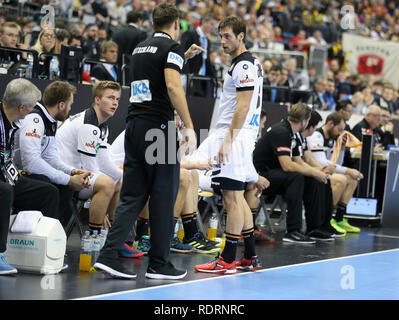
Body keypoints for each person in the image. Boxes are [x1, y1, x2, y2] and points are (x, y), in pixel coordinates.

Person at [94, 3, 203, 280]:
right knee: (164, 196)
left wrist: (184, 59)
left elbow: (153, 79)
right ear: (176, 24)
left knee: (132, 196)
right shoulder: (172, 48)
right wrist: (188, 125)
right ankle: (159, 264)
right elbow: (170, 85)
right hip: (159, 129)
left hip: (135, 127)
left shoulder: (141, 47)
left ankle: (107, 256)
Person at [193, 16, 269, 275]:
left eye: (227, 36)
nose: (222, 41)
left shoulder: (244, 66)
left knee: (232, 198)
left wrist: (227, 141)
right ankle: (249, 256)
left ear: (241, 36)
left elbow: (243, 106)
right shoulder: (250, 62)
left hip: (234, 136)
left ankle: (226, 259)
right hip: (240, 135)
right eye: (220, 36)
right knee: (237, 199)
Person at [56, 81, 141, 258]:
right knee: (107, 183)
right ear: (97, 99)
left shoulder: (101, 124)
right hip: (66, 176)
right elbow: (91, 167)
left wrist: (125, 178)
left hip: (80, 173)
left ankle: (117, 240)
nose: (115, 103)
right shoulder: (89, 123)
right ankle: (95, 239)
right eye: (110, 98)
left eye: (117, 99)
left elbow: (104, 162)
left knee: (120, 181)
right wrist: (103, 198)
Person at [0, 79, 59, 275]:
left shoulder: (12, 123)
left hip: (6, 172)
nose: (34, 109)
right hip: (2, 180)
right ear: (22, 106)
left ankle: (42, 250)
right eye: (32, 106)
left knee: (46, 189)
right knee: (5, 191)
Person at [13, 81, 91, 228]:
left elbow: (51, 157)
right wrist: (69, 179)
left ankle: (55, 236)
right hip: (14, 172)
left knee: (66, 187)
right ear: (61, 105)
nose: (70, 109)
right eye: (70, 105)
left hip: (26, 172)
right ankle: (39, 236)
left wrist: (72, 172)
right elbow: (31, 163)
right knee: (50, 189)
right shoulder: (34, 119)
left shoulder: (50, 120)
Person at [253, 103, 327, 244]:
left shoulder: (290, 132)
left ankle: (313, 228)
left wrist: (316, 172)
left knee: (311, 179)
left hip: (273, 172)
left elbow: (298, 162)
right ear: (304, 121)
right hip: (261, 174)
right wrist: (315, 172)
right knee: (296, 178)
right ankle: (292, 231)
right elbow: (287, 166)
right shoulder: (281, 132)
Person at [306, 112, 363, 233]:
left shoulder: (332, 139)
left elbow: (337, 163)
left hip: (326, 170)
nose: (340, 133)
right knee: (341, 179)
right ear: (331, 124)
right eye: (339, 129)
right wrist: (348, 170)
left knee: (352, 179)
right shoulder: (316, 136)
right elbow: (321, 162)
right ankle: (326, 219)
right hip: (314, 170)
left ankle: (338, 218)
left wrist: (341, 149)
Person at [180, 12, 218, 97]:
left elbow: (206, 62)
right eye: (211, 24)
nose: (213, 27)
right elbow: (184, 55)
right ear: (204, 22)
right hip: (191, 77)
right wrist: (187, 76)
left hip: (203, 80)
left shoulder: (207, 41)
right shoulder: (190, 34)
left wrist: (215, 78)